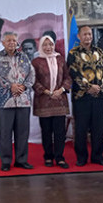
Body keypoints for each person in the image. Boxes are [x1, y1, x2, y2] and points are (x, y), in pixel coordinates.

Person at [0, 31, 35, 171]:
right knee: (5, 133)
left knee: (22, 132)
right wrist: (10, 86)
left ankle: (21, 160)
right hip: (4, 101)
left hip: (23, 100)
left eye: (14, 40)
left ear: (17, 42)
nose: (11, 43)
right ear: (3, 42)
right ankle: (6, 161)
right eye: (8, 40)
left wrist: (23, 86)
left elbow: (31, 74)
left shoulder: (24, 56)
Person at [67, 25, 103, 167]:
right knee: (81, 128)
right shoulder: (73, 53)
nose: (88, 37)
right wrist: (89, 87)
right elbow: (73, 73)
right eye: (85, 34)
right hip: (81, 97)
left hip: (99, 95)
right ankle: (81, 158)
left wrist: (100, 87)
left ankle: (98, 156)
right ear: (79, 36)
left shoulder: (100, 52)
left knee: (98, 128)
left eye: (90, 34)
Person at [32, 35, 72, 169]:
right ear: (41, 46)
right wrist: (47, 92)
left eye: (50, 45)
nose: (48, 47)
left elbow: (67, 77)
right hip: (44, 101)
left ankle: (60, 157)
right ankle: (48, 157)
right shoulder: (36, 62)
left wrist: (60, 90)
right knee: (46, 131)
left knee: (60, 131)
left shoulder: (60, 59)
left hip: (59, 100)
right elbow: (33, 80)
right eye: (45, 45)